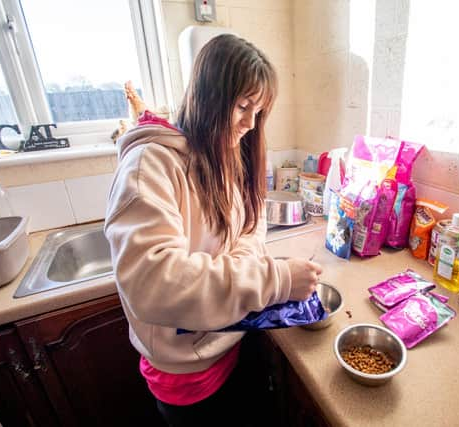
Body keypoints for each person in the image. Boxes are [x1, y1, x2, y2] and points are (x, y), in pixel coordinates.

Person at [104, 34, 322, 426]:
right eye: (243, 106)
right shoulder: (149, 166)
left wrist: (245, 270)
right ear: (208, 96)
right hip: (189, 376)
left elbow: (249, 228)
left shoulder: (223, 155)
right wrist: (274, 279)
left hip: (237, 340)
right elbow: (155, 283)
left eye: (259, 112)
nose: (250, 124)